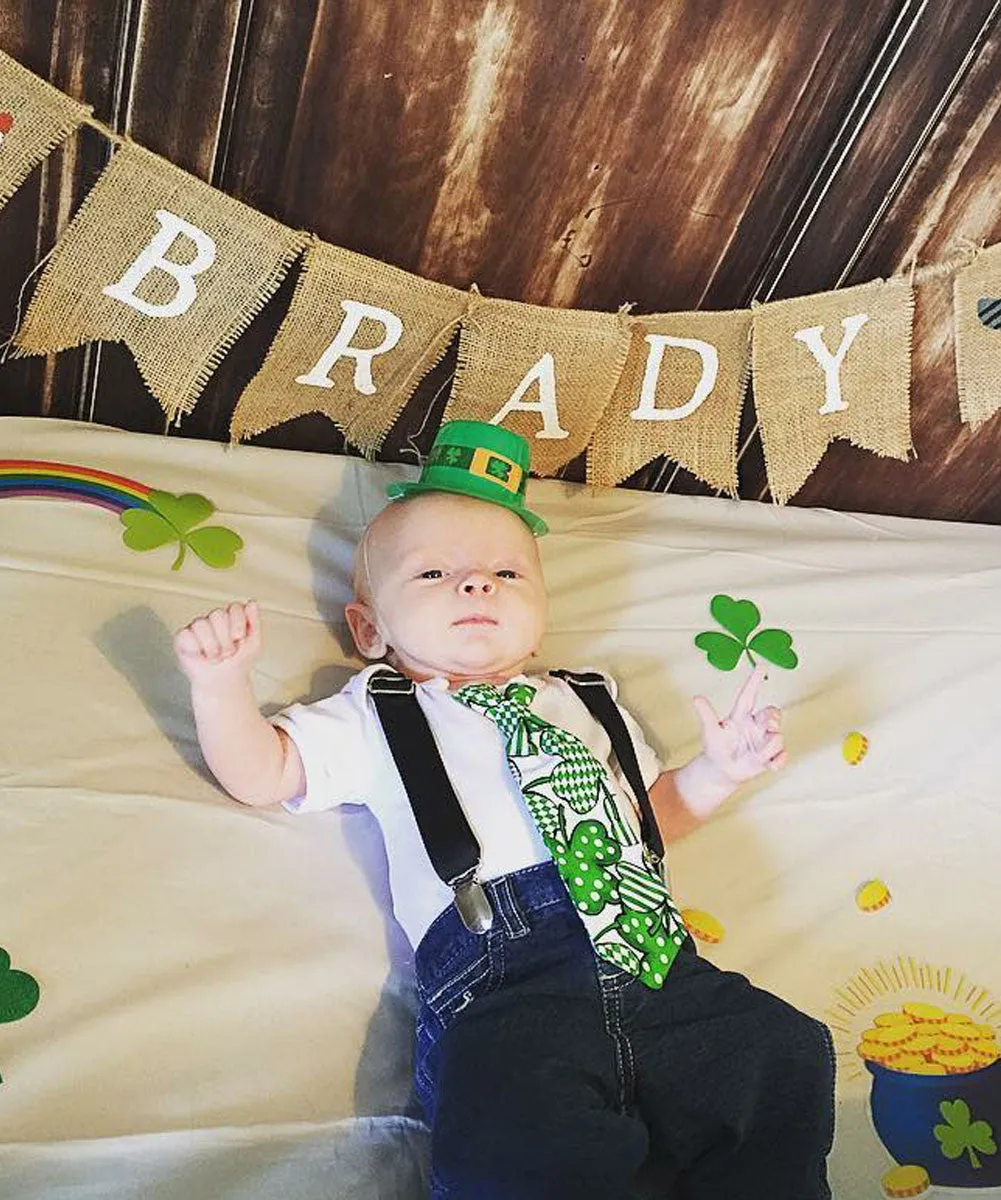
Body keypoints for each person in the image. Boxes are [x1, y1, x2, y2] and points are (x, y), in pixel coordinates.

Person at [173, 420, 835, 1199]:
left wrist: (718, 774)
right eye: (431, 576)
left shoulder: (588, 701)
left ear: (542, 610)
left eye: (506, 574)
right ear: (368, 629)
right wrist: (219, 688)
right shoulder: (377, 712)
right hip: (504, 985)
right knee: (509, 1133)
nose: (476, 585)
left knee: (780, 1049)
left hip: (662, 968)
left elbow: (655, 818)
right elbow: (263, 773)